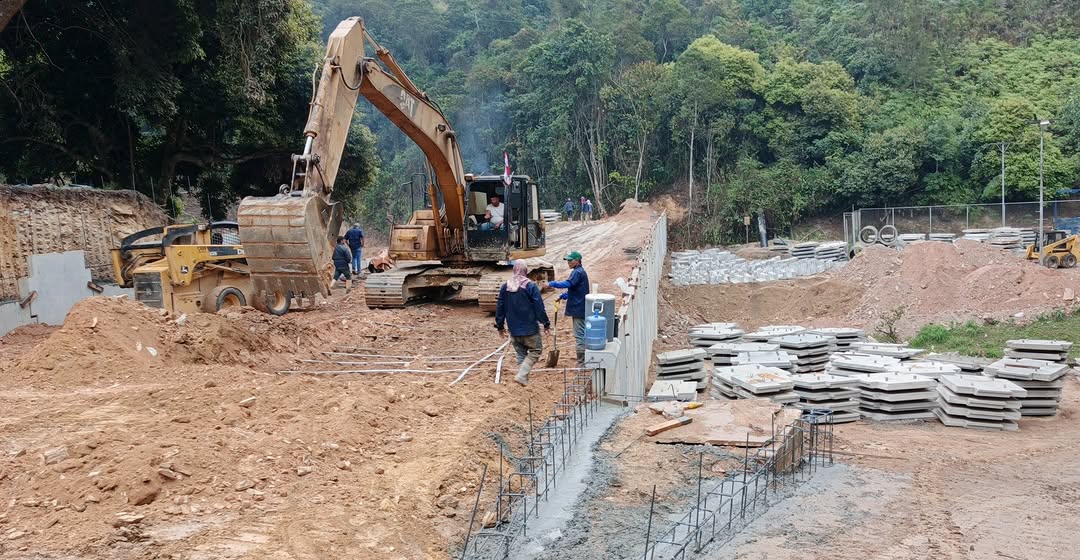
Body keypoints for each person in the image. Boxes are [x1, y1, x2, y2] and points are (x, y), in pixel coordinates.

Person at [495, 261, 551, 386]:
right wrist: (546, 323)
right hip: (530, 329)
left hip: (514, 330)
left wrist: (500, 326)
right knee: (536, 351)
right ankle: (521, 375)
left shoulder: (505, 287)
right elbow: (539, 306)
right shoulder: (530, 286)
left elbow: (500, 307)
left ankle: (521, 382)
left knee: (521, 353)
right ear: (526, 272)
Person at [547, 251, 589, 367]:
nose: (568, 263)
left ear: (577, 261)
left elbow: (568, 284)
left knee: (580, 335)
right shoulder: (579, 272)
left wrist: (552, 283)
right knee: (582, 333)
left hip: (579, 309)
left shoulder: (578, 272)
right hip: (580, 307)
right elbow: (576, 290)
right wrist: (563, 296)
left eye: (570, 260)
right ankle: (584, 360)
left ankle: (582, 363)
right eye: (568, 261)